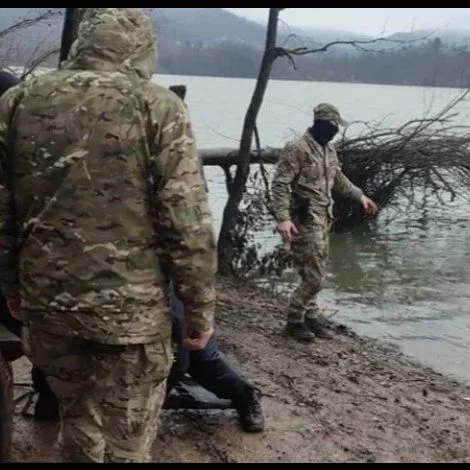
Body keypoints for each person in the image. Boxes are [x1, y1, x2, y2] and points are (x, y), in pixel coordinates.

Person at [0, 8, 217, 463]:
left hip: (49, 307)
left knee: (76, 419)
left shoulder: (18, 101)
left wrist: (11, 288)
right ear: (140, 50)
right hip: (130, 318)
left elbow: (3, 211)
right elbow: (187, 220)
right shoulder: (158, 106)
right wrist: (199, 307)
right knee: (128, 439)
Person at [25, 285, 265, 433]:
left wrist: (148, 405)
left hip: (169, 318)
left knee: (204, 362)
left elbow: (176, 365)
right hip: (103, 317)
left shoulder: (153, 299)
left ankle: (246, 397)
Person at [270, 103, 378, 342]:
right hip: (305, 219)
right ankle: (294, 320)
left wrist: (359, 195)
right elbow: (280, 184)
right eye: (333, 126)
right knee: (315, 277)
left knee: (316, 268)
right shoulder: (297, 149)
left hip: (323, 217)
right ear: (323, 124)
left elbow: (338, 178)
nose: (336, 130)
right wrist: (283, 219)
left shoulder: (329, 150)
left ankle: (311, 317)